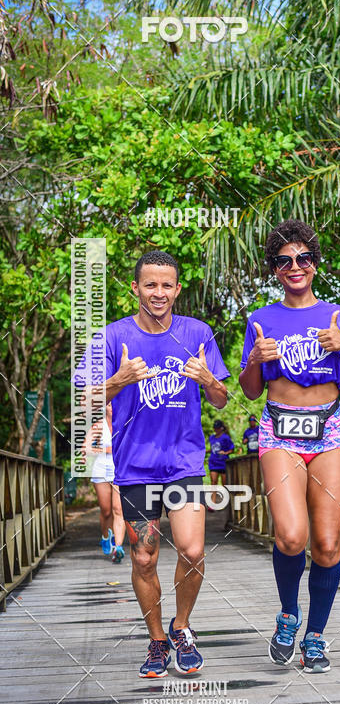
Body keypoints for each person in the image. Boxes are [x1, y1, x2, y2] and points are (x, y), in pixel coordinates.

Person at [80, 250, 229, 678]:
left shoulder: (197, 332)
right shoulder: (111, 338)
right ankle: (157, 640)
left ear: (177, 289)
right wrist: (117, 381)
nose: (158, 292)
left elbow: (221, 398)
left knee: (194, 550)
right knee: (143, 558)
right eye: (150, 284)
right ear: (135, 288)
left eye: (167, 285)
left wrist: (208, 380)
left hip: (183, 461)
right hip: (135, 468)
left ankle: (181, 628)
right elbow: (85, 397)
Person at [240, 219, 340, 672]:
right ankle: (287, 614)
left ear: (315, 264)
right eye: (284, 261)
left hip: (328, 431)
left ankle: (315, 636)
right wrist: (256, 362)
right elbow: (248, 390)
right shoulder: (261, 320)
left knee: (326, 545)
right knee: (291, 535)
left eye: (302, 258)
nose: (294, 267)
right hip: (278, 430)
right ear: (275, 270)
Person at [84, 404, 126, 562]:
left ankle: (118, 547)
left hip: (119, 470)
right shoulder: (98, 426)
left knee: (119, 509)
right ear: (105, 407)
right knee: (106, 511)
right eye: (109, 404)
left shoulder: (124, 422)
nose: (113, 407)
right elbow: (85, 448)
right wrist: (105, 450)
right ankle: (106, 536)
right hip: (101, 470)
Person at [208, 420, 235, 486]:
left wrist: (225, 453)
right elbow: (213, 449)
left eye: (217, 428)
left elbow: (232, 449)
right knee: (213, 482)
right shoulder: (211, 438)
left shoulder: (225, 437)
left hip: (223, 463)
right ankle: (213, 496)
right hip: (213, 463)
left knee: (224, 483)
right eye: (215, 428)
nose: (216, 430)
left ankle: (226, 495)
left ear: (221, 428)